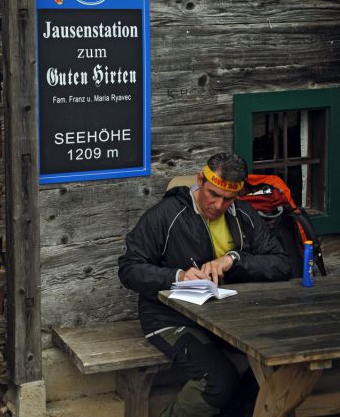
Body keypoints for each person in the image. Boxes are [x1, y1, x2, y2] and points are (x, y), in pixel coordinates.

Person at [118, 152, 292, 417]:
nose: (219, 205)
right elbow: (129, 270)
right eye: (213, 194)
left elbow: (281, 263)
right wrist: (176, 276)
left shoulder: (243, 214)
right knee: (218, 380)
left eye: (228, 198)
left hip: (229, 318)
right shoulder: (165, 215)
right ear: (200, 180)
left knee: (280, 362)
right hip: (170, 318)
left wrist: (234, 260)